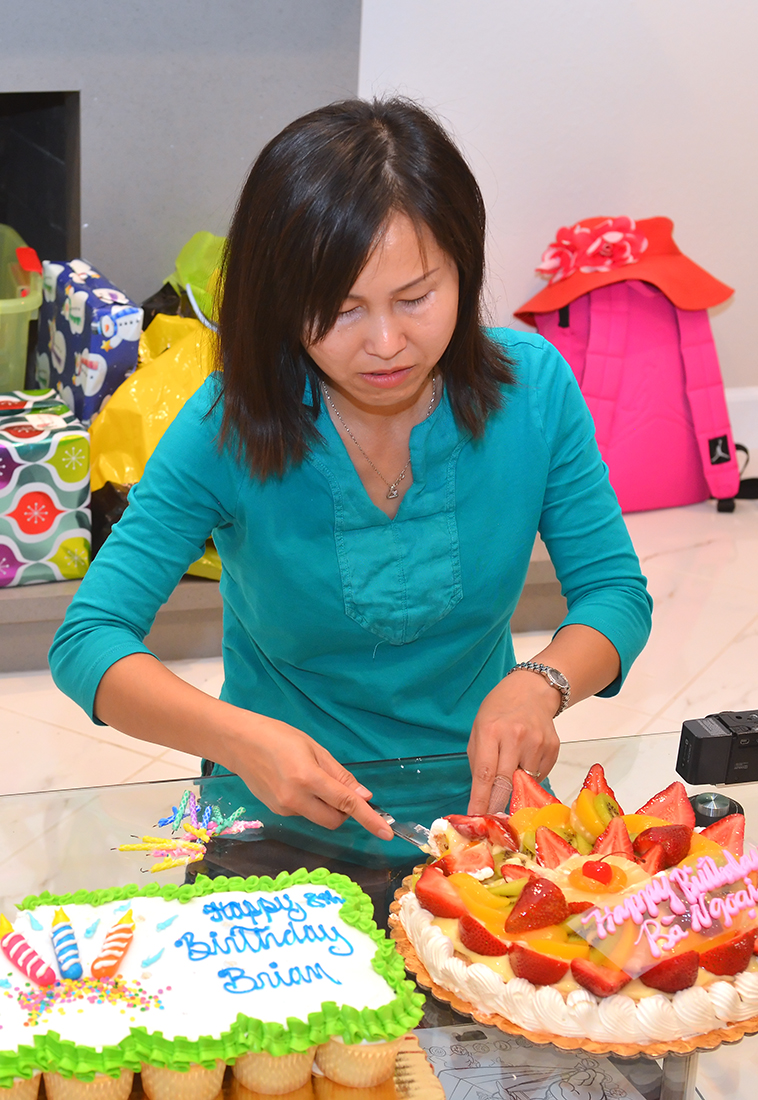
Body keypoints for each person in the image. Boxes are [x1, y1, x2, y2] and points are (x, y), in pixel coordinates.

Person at [49, 98, 652, 845]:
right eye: (340, 309)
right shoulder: (229, 422)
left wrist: (542, 684)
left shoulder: (532, 392)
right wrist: (239, 741)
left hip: (488, 818)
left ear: (464, 269)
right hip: (280, 822)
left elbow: (615, 594)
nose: (388, 343)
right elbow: (89, 638)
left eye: (417, 297)